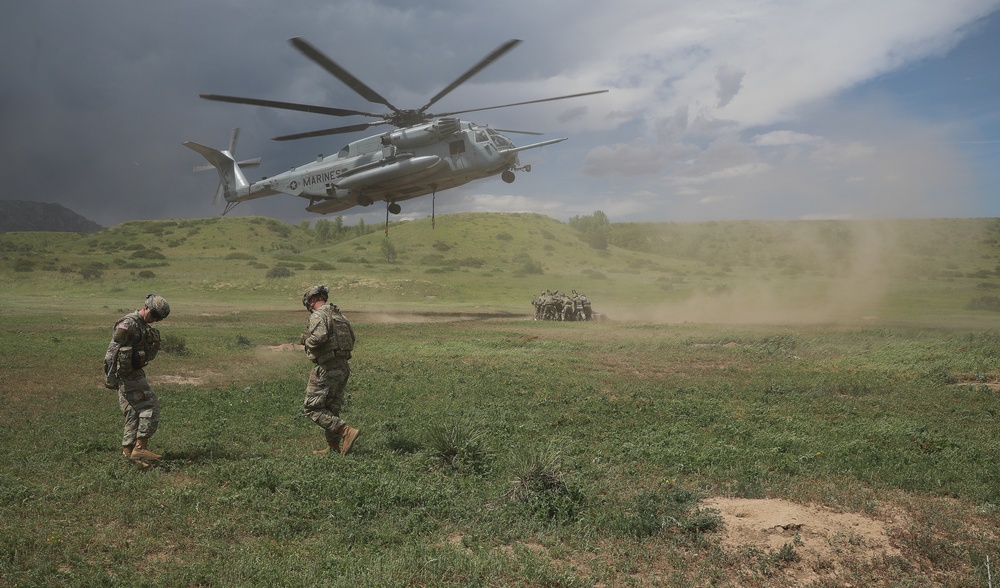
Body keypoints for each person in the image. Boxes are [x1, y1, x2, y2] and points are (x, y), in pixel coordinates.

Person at [104, 294, 170, 469]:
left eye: (159, 318)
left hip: (133, 372)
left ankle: (129, 453)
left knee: (132, 412)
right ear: (146, 307)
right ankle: (140, 448)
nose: (154, 319)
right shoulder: (128, 323)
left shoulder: (143, 326)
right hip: (127, 375)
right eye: (154, 314)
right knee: (150, 404)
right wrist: (109, 378)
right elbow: (112, 352)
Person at [300, 285, 360, 456]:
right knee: (331, 408)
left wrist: (307, 341)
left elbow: (319, 337)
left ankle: (346, 431)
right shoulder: (341, 316)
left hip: (327, 367)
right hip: (342, 366)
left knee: (312, 407)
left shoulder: (319, 315)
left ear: (311, 300)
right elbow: (352, 339)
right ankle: (333, 446)